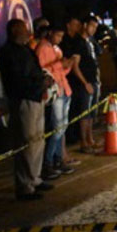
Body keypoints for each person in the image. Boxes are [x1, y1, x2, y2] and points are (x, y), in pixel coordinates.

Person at [0, 19, 54, 200]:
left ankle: (34, 178)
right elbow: (18, 80)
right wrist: (39, 83)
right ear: (14, 30)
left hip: (36, 97)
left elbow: (34, 71)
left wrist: (44, 80)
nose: (28, 31)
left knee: (38, 141)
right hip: (24, 100)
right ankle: (24, 185)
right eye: (23, 28)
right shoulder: (9, 53)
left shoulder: (25, 49)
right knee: (26, 143)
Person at [36, 25, 77, 176]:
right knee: (57, 128)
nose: (60, 39)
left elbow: (61, 71)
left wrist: (68, 64)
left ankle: (58, 160)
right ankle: (48, 162)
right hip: (56, 92)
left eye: (61, 36)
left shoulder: (57, 49)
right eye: (58, 35)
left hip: (64, 89)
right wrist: (61, 64)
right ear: (50, 32)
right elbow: (42, 71)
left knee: (62, 128)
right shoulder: (42, 48)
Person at [62, 16, 99, 153]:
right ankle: (84, 142)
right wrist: (85, 83)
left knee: (91, 113)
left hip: (94, 80)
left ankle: (90, 139)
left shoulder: (90, 42)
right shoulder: (78, 43)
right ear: (85, 25)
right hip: (84, 83)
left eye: (95, 27)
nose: (93, 30)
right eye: (91, 26)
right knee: (84, 114)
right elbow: (75, 66)